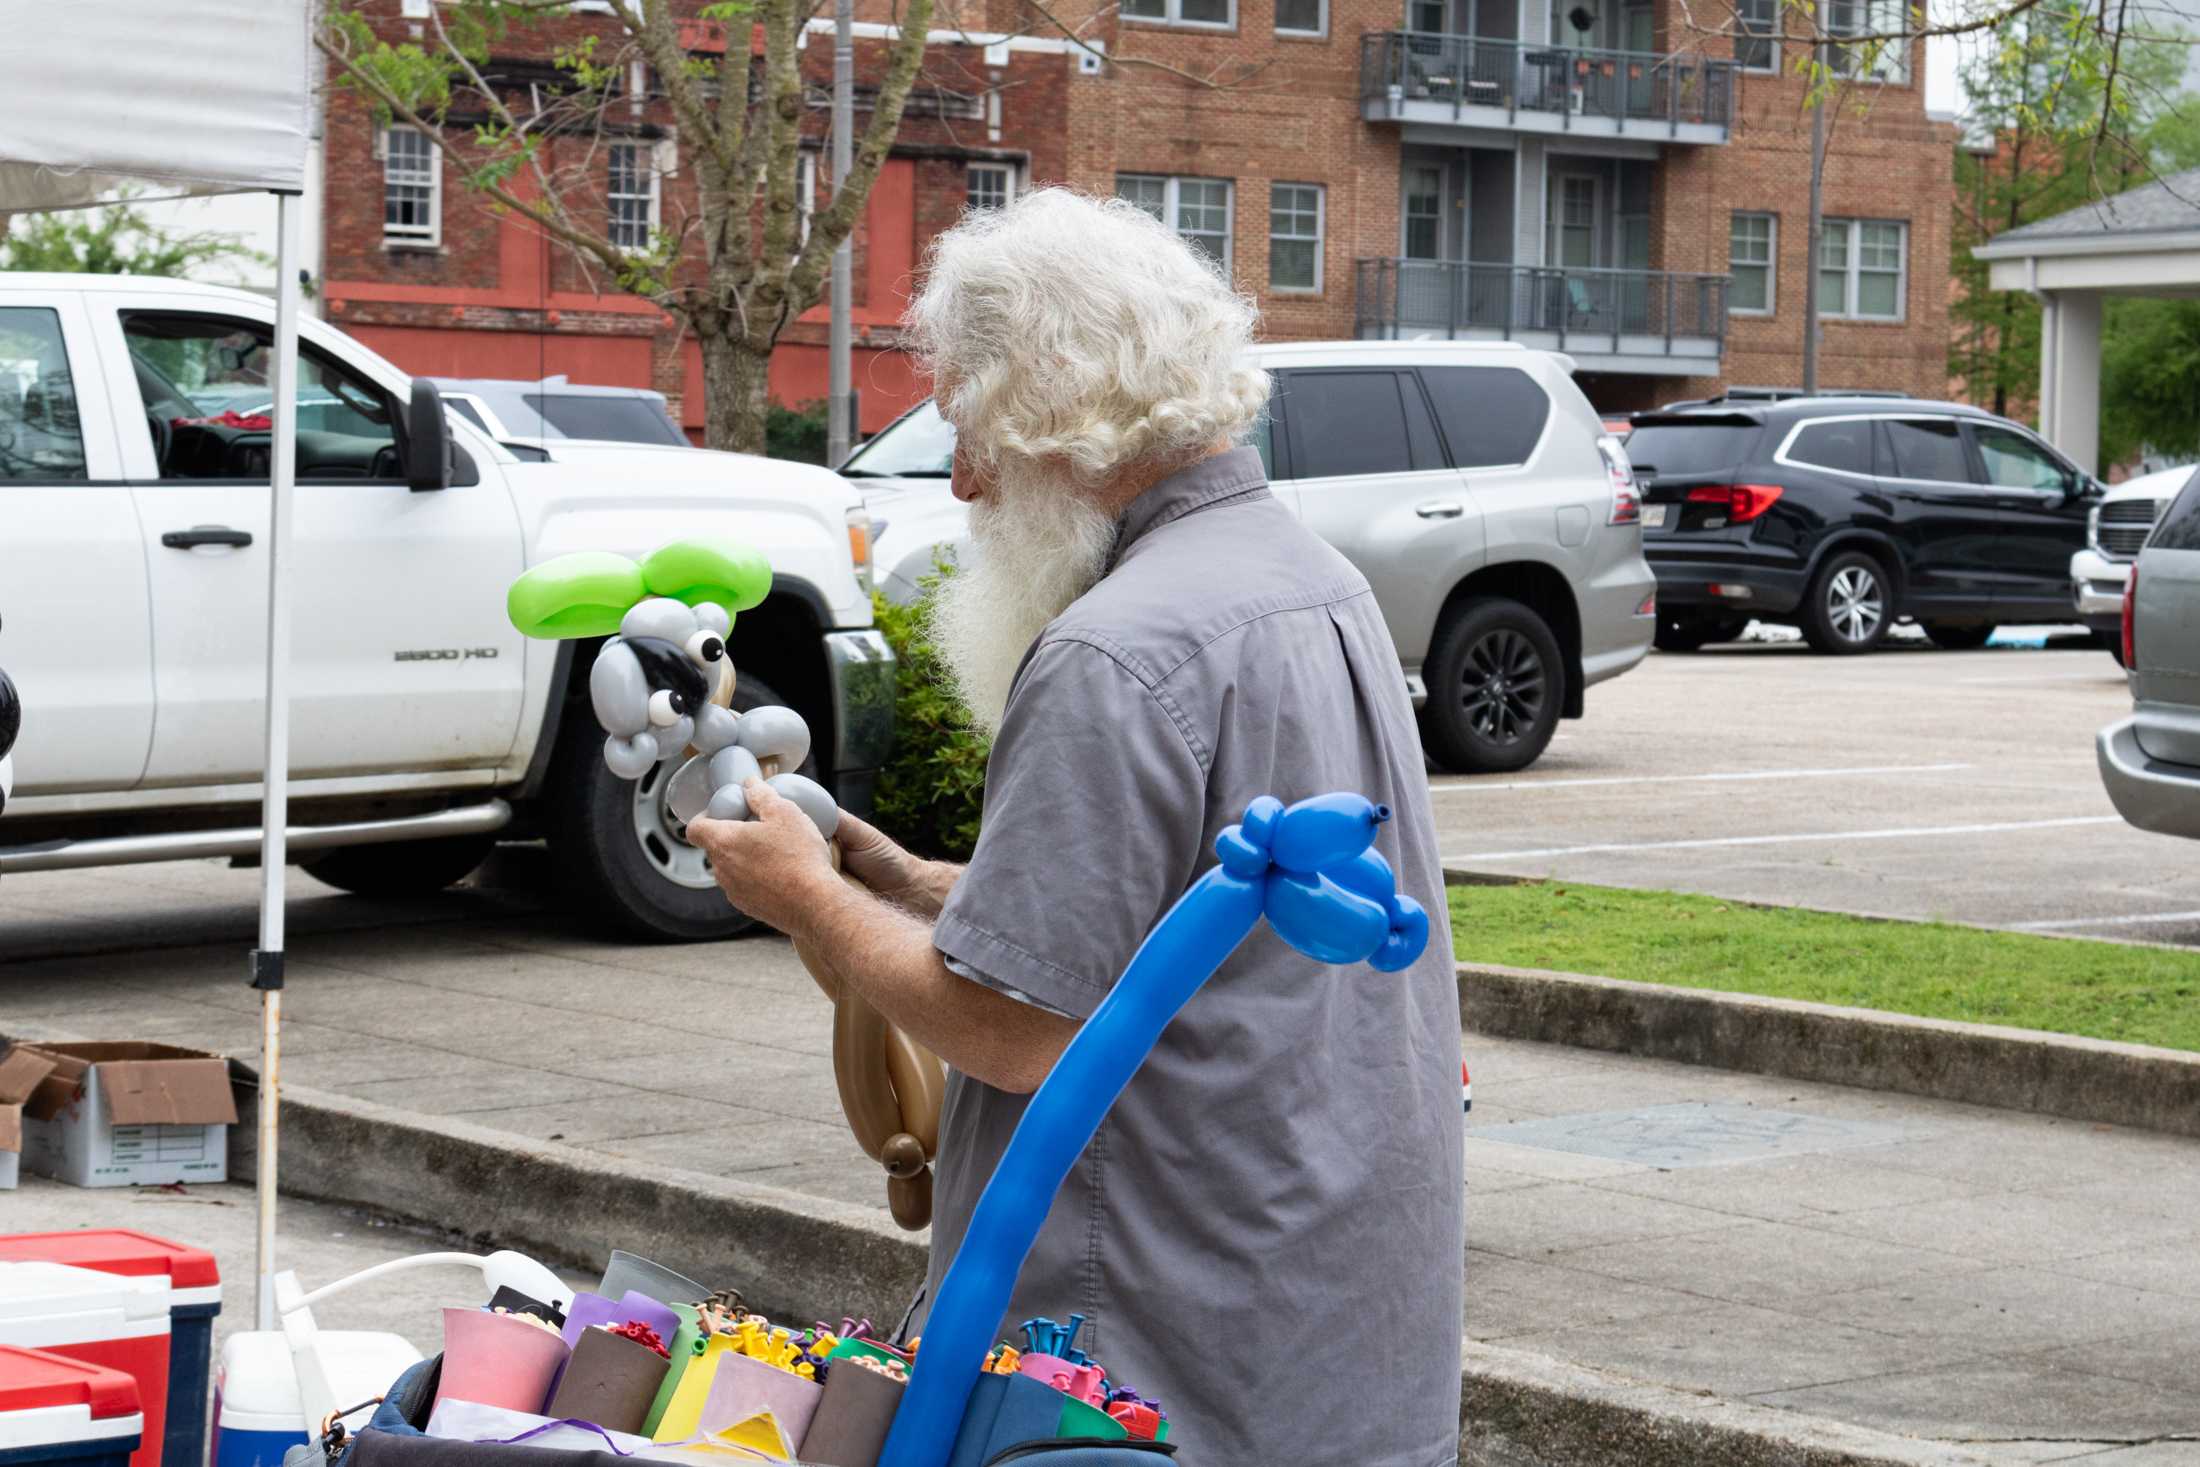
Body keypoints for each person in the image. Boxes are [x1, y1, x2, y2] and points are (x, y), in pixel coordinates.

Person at [688, 187, 1464, 1467]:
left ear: (1055, 411)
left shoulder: (1117, 645)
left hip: (1155, 1352)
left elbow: (1016, 1035)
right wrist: (917, 883)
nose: (960, 481)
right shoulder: (1311, 580)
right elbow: (1189, 923)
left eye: (971, 434)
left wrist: (807, 899)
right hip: (1330, 1324)